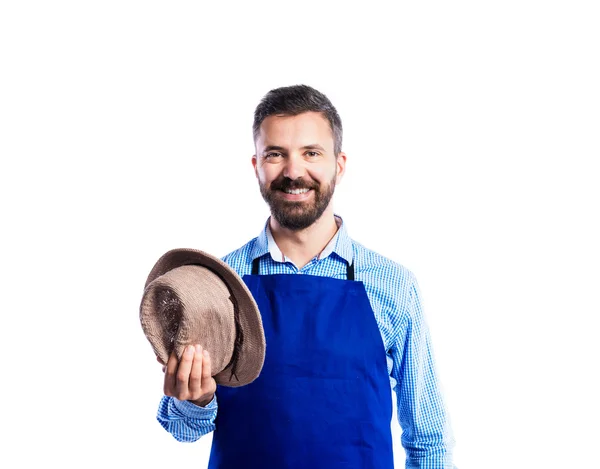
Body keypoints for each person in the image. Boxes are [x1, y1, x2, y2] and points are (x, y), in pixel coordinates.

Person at [155, 84, 456, 468]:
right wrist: (194, 398)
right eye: (276, 154)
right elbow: (182, 430)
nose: (293, 172)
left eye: (311, 153)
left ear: (339, 165)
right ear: (257, 166)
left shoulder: (393, 284)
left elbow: (428, 438)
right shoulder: (218, 284)